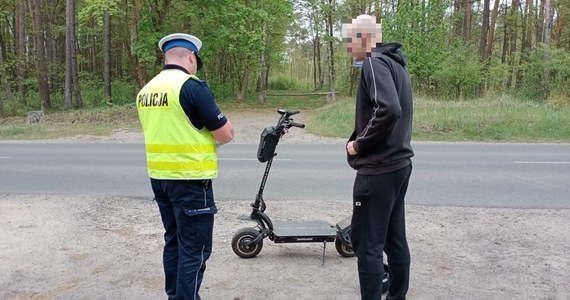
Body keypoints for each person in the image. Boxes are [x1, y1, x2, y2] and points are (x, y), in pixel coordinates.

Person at [136, 33, 234, 300]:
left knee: (174, 243)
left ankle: (175, 296)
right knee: (195, 250)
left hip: (160, 178)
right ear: (191, 57)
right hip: (191, 180)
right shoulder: (191, 87)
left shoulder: (146, 91)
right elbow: (224, 134)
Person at [343, 15, 414, 300]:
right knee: (395, 239)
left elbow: (388, 109)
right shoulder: (396, 64)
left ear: (364, 38)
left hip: (379, 168)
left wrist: (359, 144)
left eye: (350, 41)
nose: (349, 48)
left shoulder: (374, 62)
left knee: (367, 244)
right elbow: (388, 110)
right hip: (399, 165)